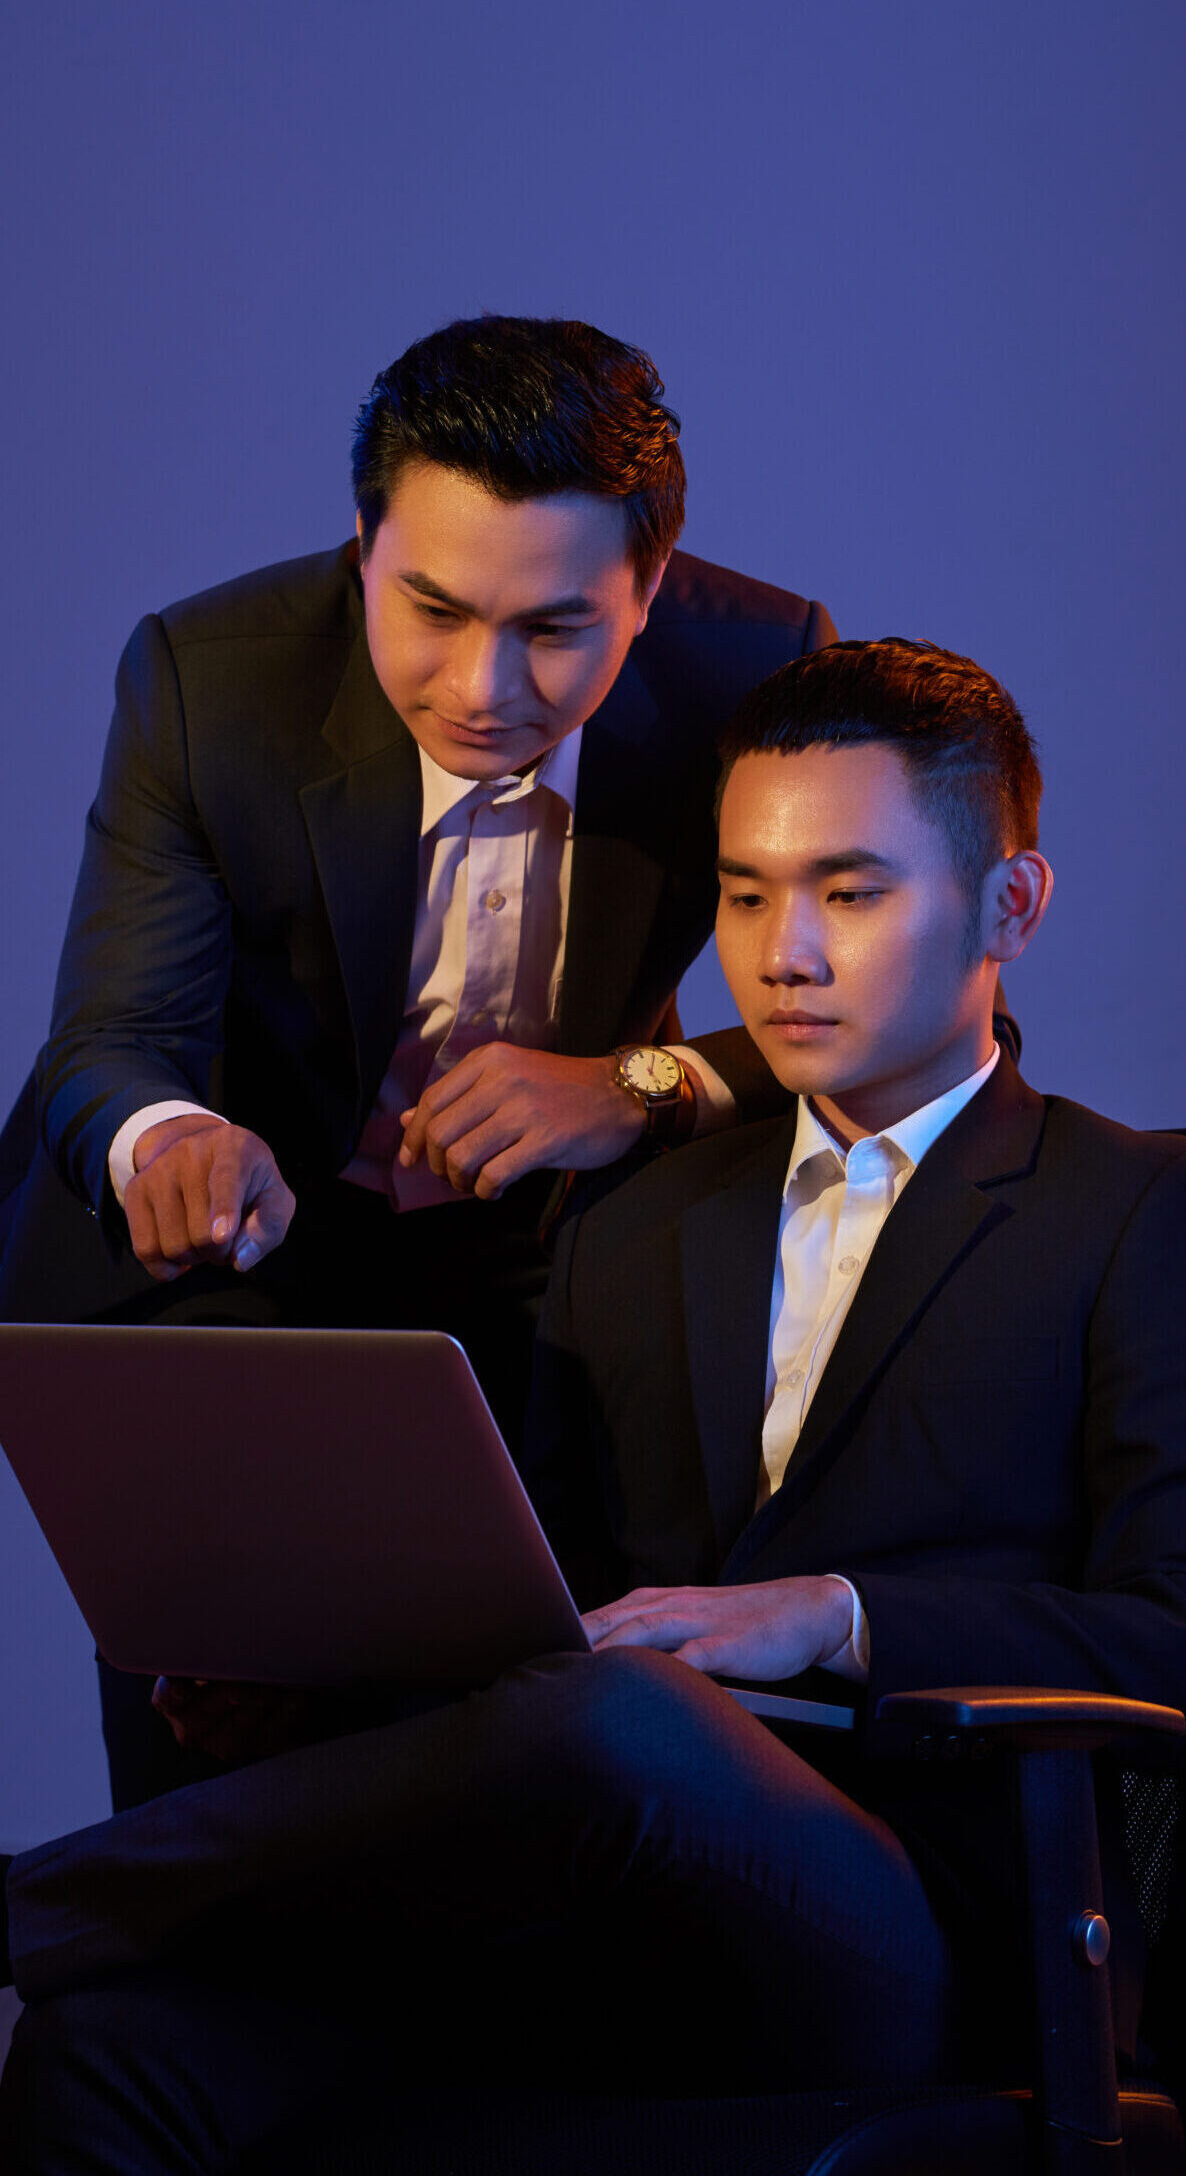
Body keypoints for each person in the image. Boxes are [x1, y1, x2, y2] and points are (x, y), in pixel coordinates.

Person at [3, 637, 1182, 2173]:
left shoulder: (1134, 1207)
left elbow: (1168, 1625)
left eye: (849, 890)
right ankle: (84, 1942)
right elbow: (541, 1616)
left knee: (633, 1715)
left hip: (931, 1927)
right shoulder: (638, 1219)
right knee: (112, 2060)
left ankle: (40, 1902)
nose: (783, 953)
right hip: (588, 1900)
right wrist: (324, 1687)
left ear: (1007, 907)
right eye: (745, 894)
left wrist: (833, 1612)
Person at [0, 312, 832, 1808]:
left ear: (650, 592)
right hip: (237, 1264)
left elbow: (906, 1012)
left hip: (542, 1261)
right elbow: (108, 1044)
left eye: (555, 629)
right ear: (361, 547)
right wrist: (173, 1138)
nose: (482, 685)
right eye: (432, 608)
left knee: (534, 1747)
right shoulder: (208, 679)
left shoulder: (756, 671)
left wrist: (634, 1085)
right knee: (223, 1752)